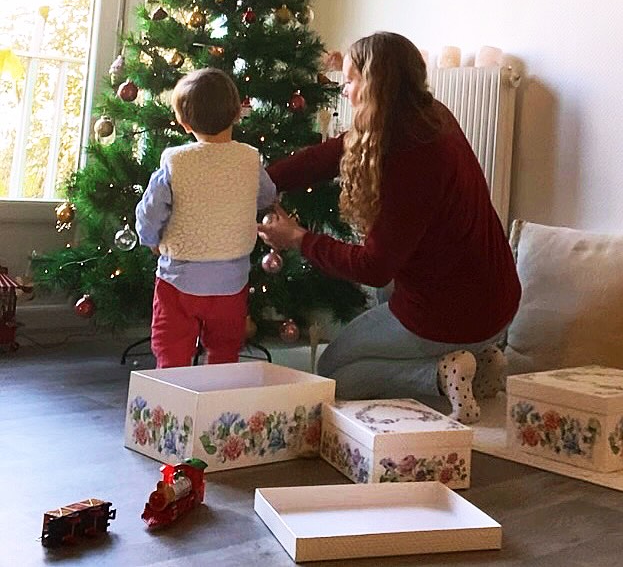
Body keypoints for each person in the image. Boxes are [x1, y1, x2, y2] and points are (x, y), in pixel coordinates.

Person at [258, 32, 521, 424]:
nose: (344, 91)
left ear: (374, 84)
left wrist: (299, 239)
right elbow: (332, 154)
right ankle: (482, 363)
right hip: (497, 301)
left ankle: (438, 373)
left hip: (454, 312)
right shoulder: (428, 114)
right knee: (387, 296)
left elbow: (373, 266)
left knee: (333, 375)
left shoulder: (408, 156)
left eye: (349, 81)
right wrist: (264, 181)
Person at [136, 67, 278, 368]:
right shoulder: (250, 159)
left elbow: (150, 211)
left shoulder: (176, 162)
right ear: (237, 114)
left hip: (179, 278)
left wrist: (150, 240)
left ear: (184, 122)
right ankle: (219, 407)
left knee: (171, 349)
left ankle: (172, 407)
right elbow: (267, 196)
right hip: (232, 279)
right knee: (225, 351)